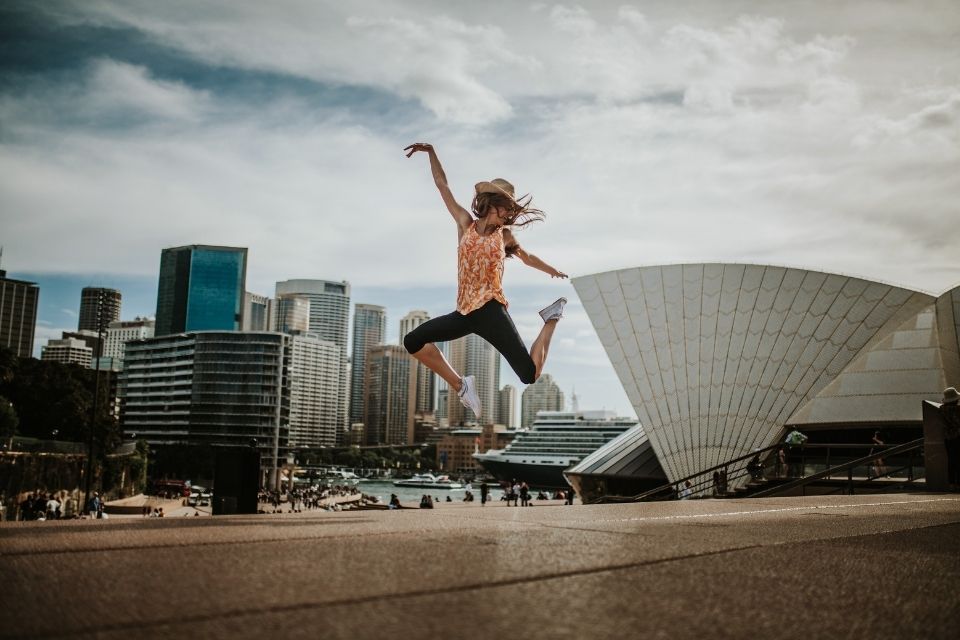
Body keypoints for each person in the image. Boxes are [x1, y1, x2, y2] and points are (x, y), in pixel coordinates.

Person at [402, 143, 568, 418]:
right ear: (494, 203)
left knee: (529, 374)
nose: (509, 214)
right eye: (506, 208)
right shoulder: (464, 223)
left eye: (511, 210)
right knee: (413, 341)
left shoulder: (503, 237)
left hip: (491, 311)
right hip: (464, 312)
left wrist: (551, 270)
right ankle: (461, 385)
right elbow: (442, 186)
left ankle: (551, 318)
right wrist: (431, 152)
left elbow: (527, 257)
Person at [939, 387, 960, 490]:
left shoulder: (942, 409)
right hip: (958, 437)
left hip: (948, 438)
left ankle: (951, 483)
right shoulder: (957, 410)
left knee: (951, 460)